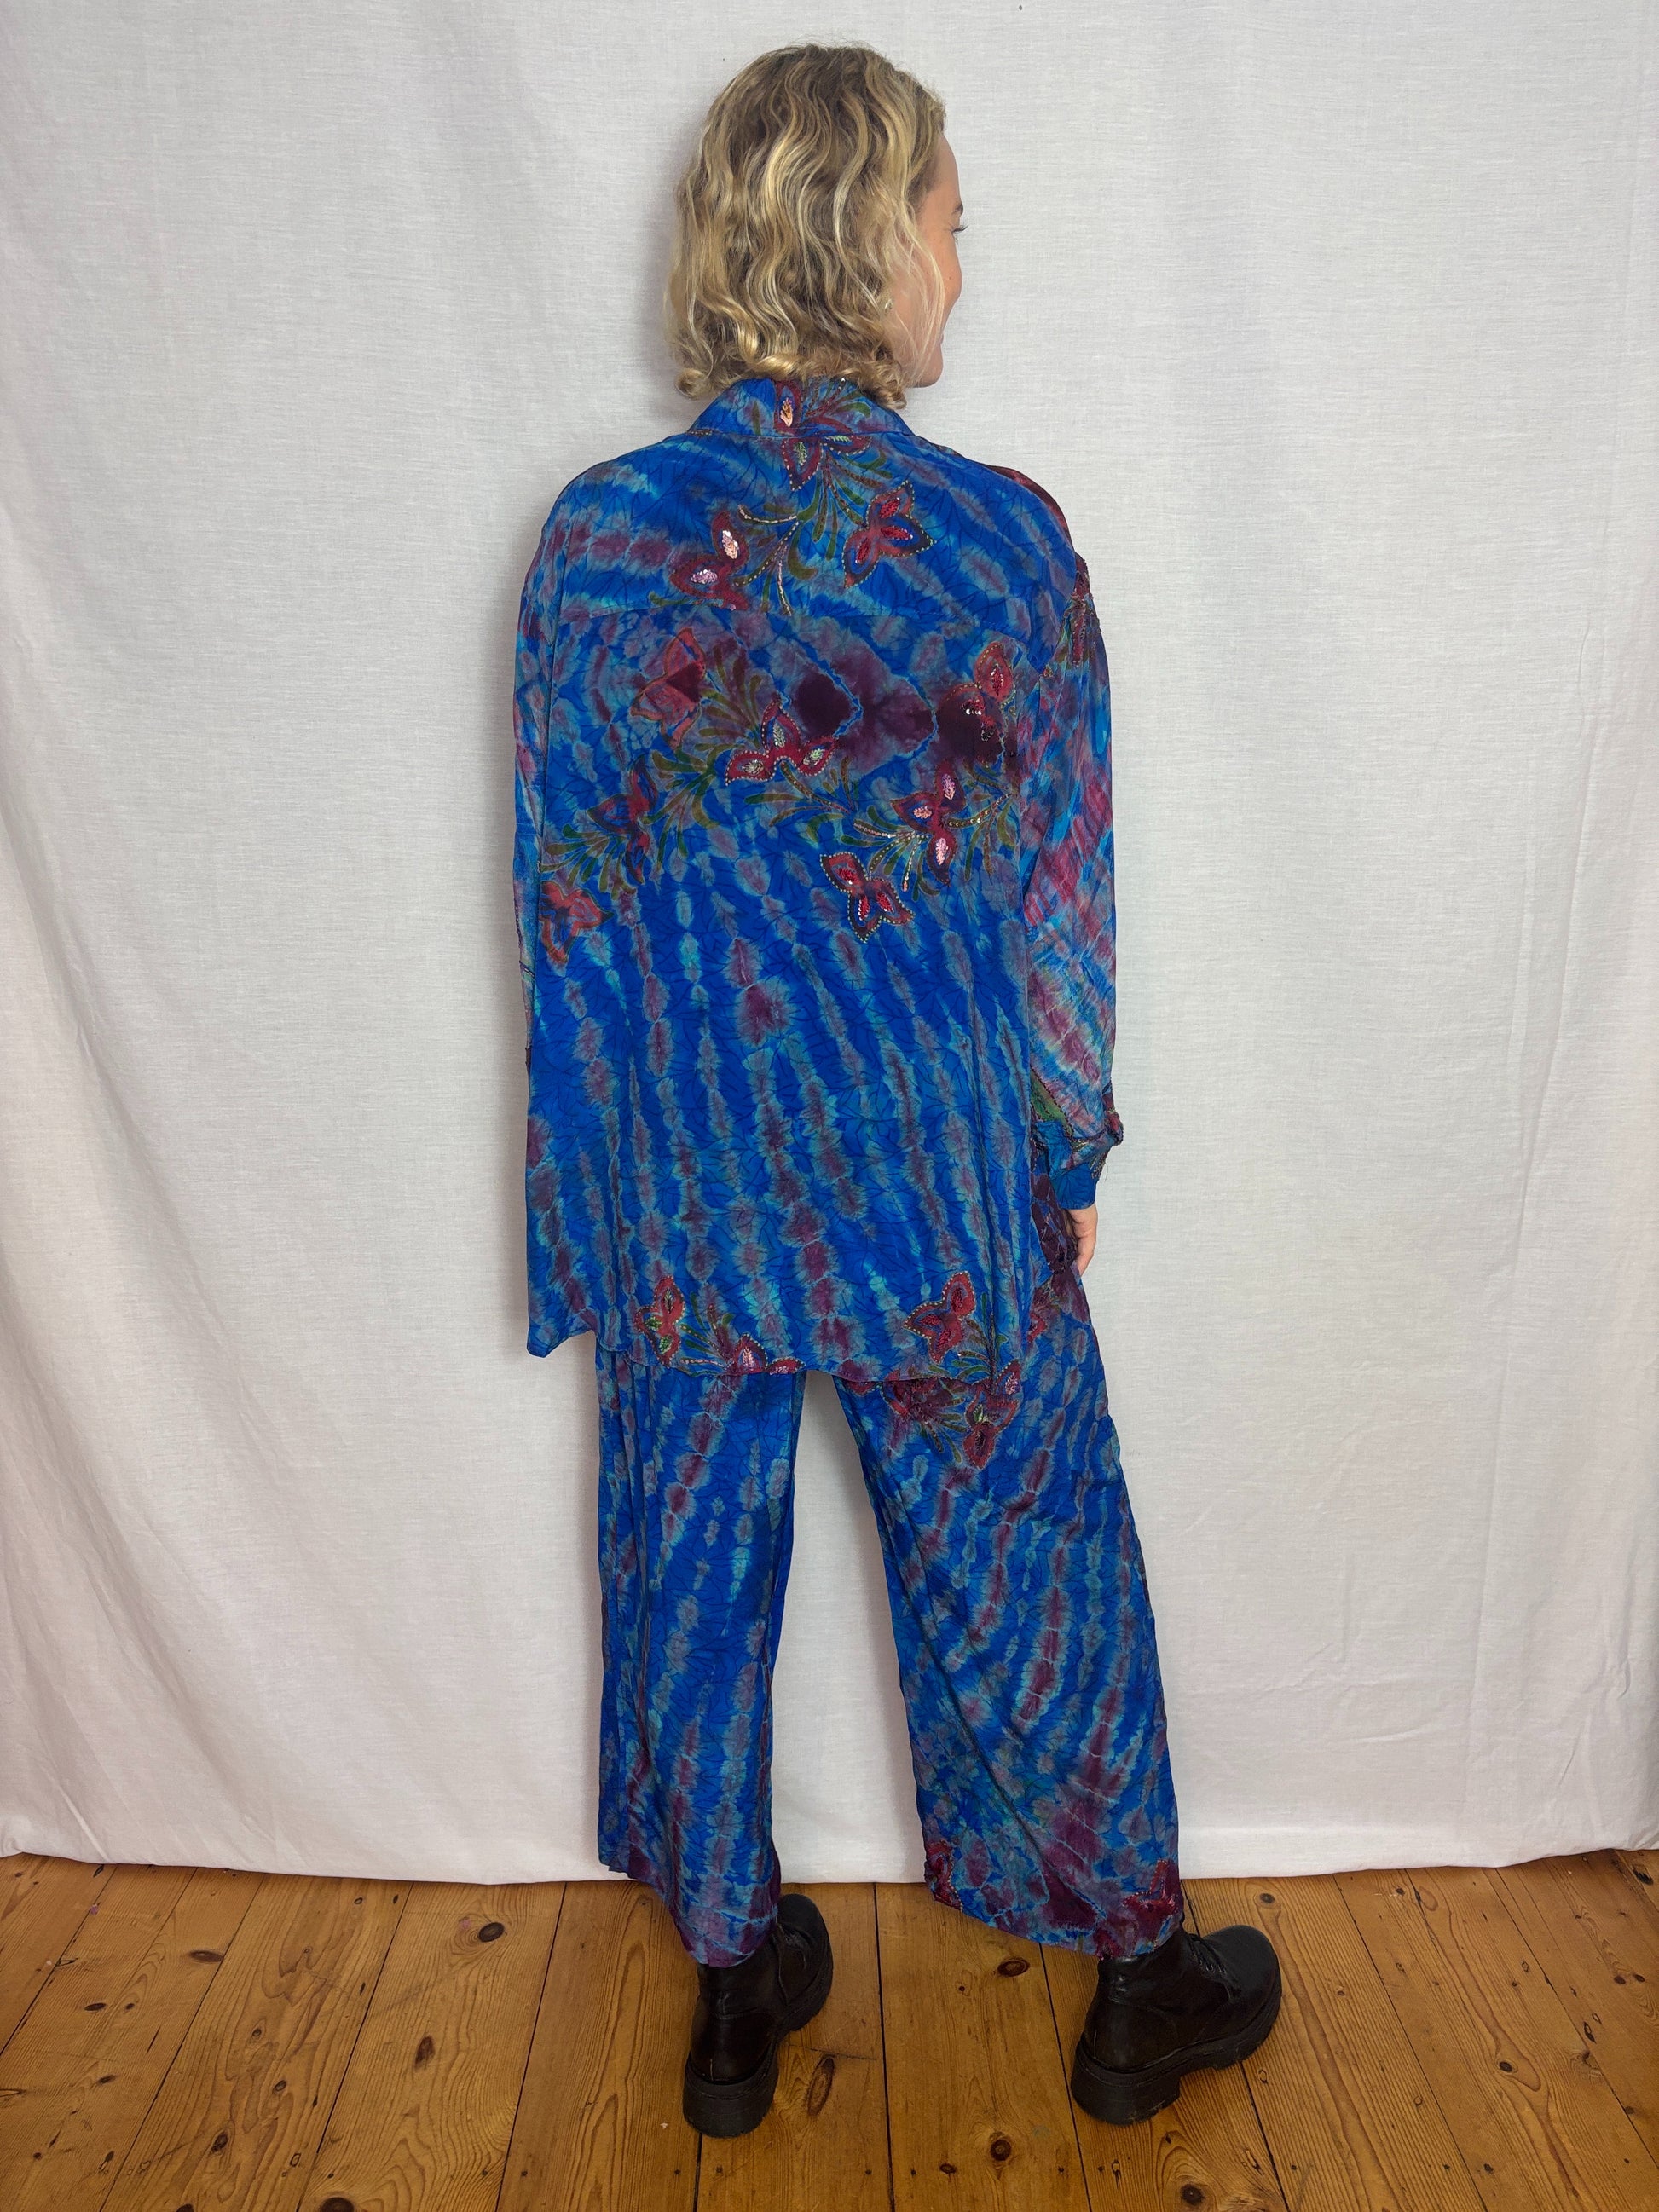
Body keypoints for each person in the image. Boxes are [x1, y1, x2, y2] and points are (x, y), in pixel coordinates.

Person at [512, 41, 1282, 2137]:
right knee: (1032, 1550)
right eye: (949, 214)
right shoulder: (996, 544)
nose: (965, 253)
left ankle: (733, 1987)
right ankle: (1134, 1984)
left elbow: (568, 903)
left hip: (685, 1179)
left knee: (687, 1566)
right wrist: (1062, 1140)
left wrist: (589, 1212)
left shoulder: (592, 546)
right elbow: (1060, 896)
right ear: (867, 232)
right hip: (930, 1171)